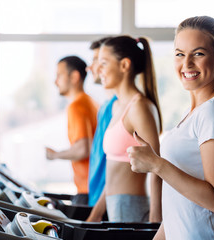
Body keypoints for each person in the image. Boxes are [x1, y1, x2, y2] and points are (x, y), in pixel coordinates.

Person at [128, 16, 214, 239]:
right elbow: (178, 209)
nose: (187, 63)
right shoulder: (192, 113)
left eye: (198, 53)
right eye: (180, 54)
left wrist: (156, 164)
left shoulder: (213, 111)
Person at [86, 35, 163, 223]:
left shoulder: (140, 107)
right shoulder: (117, 107)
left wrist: (155, 220)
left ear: (124, 65)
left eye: (103, 63)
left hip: (133, 209)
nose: (98, 70)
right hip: (115, 208)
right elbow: (114, 173)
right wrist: (96, 213)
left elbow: (157, 168)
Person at [46, 56, 98, 205]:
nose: (55, 81)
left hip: (87, 190)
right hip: (94, 187)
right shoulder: (91, 102)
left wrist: (54, 155)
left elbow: (83, 149)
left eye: (59, 75)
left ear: (74, 77)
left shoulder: (77, 106)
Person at [86, 37, 118, 207]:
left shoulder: (119, 106)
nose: (91, 67)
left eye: (99, 60)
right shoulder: (105, 106)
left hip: (107, 202)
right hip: (97, 197)